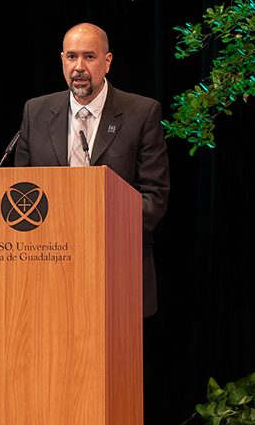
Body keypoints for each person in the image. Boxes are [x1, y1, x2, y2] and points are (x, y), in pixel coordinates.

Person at [15, 23, 170, 317]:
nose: (79, 67)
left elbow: (154, 196)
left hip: (117, 266)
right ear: (62, 60)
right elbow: (21, 188)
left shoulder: (141, 113)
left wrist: (97, 231)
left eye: (89, 57)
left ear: (107, 62)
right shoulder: (35, 112)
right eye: (72, 57)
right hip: (48, 269)